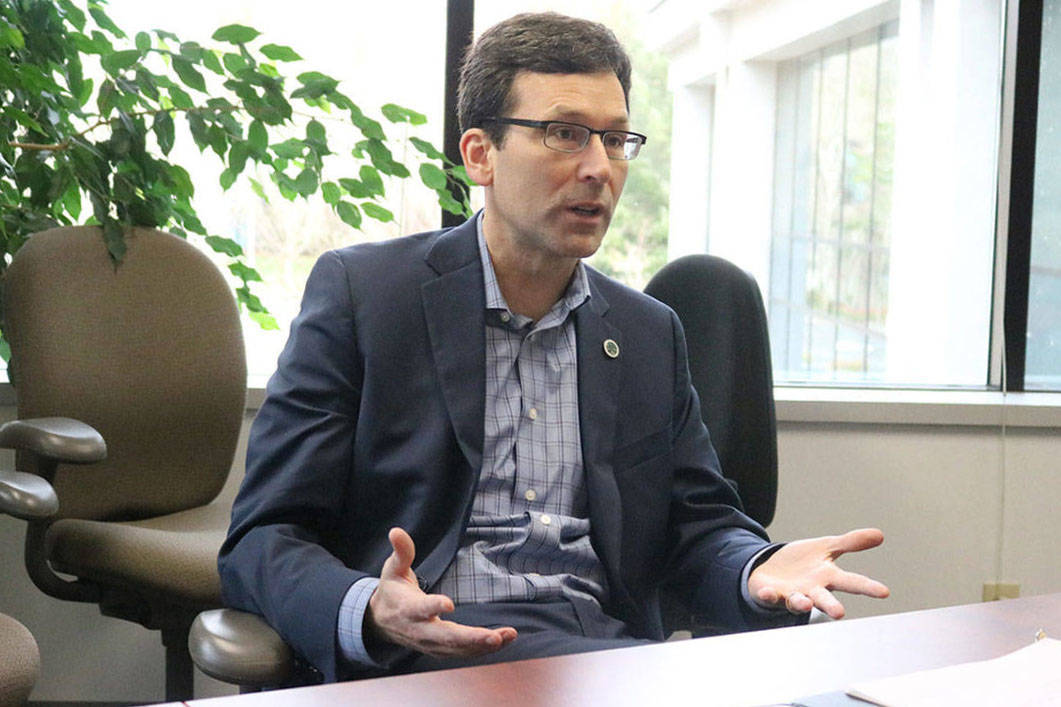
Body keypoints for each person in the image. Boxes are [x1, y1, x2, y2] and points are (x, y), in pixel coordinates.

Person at [218, 11, 889, 683]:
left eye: (616, 139)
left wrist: (754, 567)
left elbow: (698, 528)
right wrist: (368, 606)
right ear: (479, 154)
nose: (599, 167)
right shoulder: (364, 296)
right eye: (565, 134)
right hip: (425, 665)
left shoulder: (647, 332)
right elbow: (263, 537)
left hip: (600, 659)